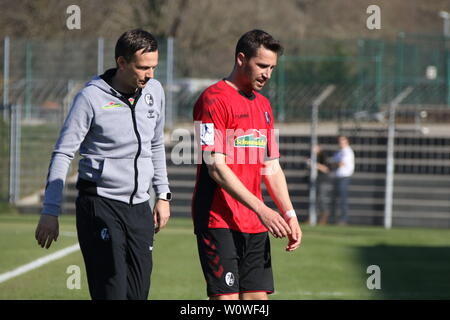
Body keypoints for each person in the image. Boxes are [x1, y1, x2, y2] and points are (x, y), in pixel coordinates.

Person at [34, 29, 172, 300]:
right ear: (122, 63)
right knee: (112, 293)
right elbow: (63, 153)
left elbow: (155, 145)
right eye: (143, 68)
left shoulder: (155, 91)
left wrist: (163, 195)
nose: (150, 75)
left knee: (137, 294)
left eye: (154, 67)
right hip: (100, 205)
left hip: (139, 209)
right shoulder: (90, 98)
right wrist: (50, 210)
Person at [192, 29, 302, 300]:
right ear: (241, 59)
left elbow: (272, 167)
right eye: (262, 65)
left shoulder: (264, 105)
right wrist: (262, 209)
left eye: (272, 68)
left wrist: (289, 214)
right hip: (217, 219)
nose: (268, 74)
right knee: (227, 301)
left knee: (256, 300)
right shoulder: (212, 100)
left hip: (253, 222)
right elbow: (215, 167)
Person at [330, 135, 354, 225]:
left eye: (342, 141)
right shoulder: (340, 152)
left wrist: (335, 163)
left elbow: (340, 163)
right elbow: (334, 162)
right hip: (338, 177)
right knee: (335, 199)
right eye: (340, 141)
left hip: (344, 178)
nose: (340, 143)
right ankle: (335, 219)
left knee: (343, 199)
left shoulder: (348, 151)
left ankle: (344, 219)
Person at [307, 145, 330, 225]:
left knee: (321, 199)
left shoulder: (323, 156)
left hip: (322, 181)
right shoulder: (312, 155)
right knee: (314, 199)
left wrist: (315, 165)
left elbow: (326, 168)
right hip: (315, 181)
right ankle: (312, 218)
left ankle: (324, 217)